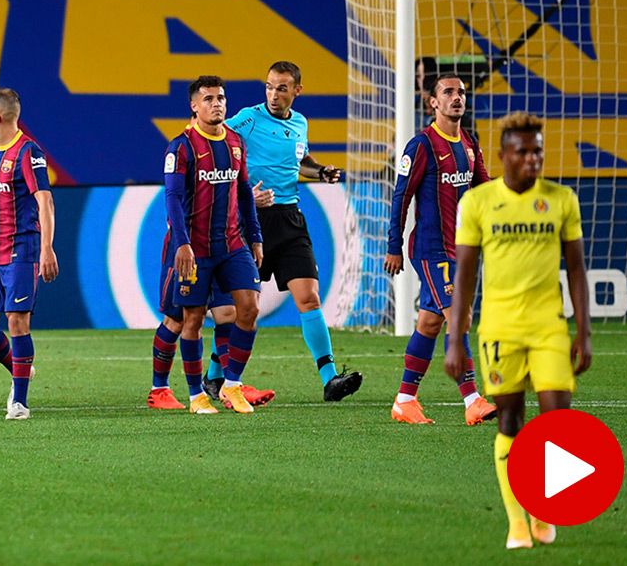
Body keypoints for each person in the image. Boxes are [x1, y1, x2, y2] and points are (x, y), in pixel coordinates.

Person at [446, 112, 591, 550]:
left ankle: (544, 507)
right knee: (510, 419)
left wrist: (583, 332)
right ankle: (517, 523)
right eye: (523, 151)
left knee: (557, 420)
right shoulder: (479, 203)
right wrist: (455, 340)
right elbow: (466, 275)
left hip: (549, 326)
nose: (532, 159)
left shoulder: (561, 199)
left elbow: (578, 270)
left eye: (538, 151)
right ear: (504, 155)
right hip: (499, 328)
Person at [225, 61, 363, 401]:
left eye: (282, 88)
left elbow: (300, 160)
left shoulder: (300, 123)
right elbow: (215, 148)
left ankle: (330, 379)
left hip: (289, 220)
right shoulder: (247, 118)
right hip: (251, 221)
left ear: (297, 91)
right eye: (270, 86)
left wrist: (320, 172)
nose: (274, 94)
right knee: (245, 309)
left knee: (309, 297)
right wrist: (244, 195)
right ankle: (217, 376)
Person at [385, 73, 496, 425]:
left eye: (460, 92)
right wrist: (394, 246)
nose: (456, 97)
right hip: (431, 249)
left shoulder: (469, 143)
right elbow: (401, 198)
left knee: (430, 323)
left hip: (461, 250)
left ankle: (405, 400)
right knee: (458, 319)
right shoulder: (421, 145)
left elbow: (483, 189)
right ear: (433, 102)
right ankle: (473, 399)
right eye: (448, 92)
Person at [149, 120, 275, 412]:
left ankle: (231, 385)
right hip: (190, 248)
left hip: (229, 245)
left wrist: (254, 235)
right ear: (195, 106)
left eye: (220, 97)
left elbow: (243, 192)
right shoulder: (182, 146)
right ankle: (161, 389)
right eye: (209, 98)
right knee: (180, 320)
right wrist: (182, 243)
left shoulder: (235, 143)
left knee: (234, 311)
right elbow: (173, 198)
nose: (216, 103)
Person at [0, 88, 57, 419]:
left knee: (17, 321)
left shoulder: (28, 152)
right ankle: (21, 369)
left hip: (21, 250)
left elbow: (44, 200)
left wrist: (47, 248)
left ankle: (19, 399)